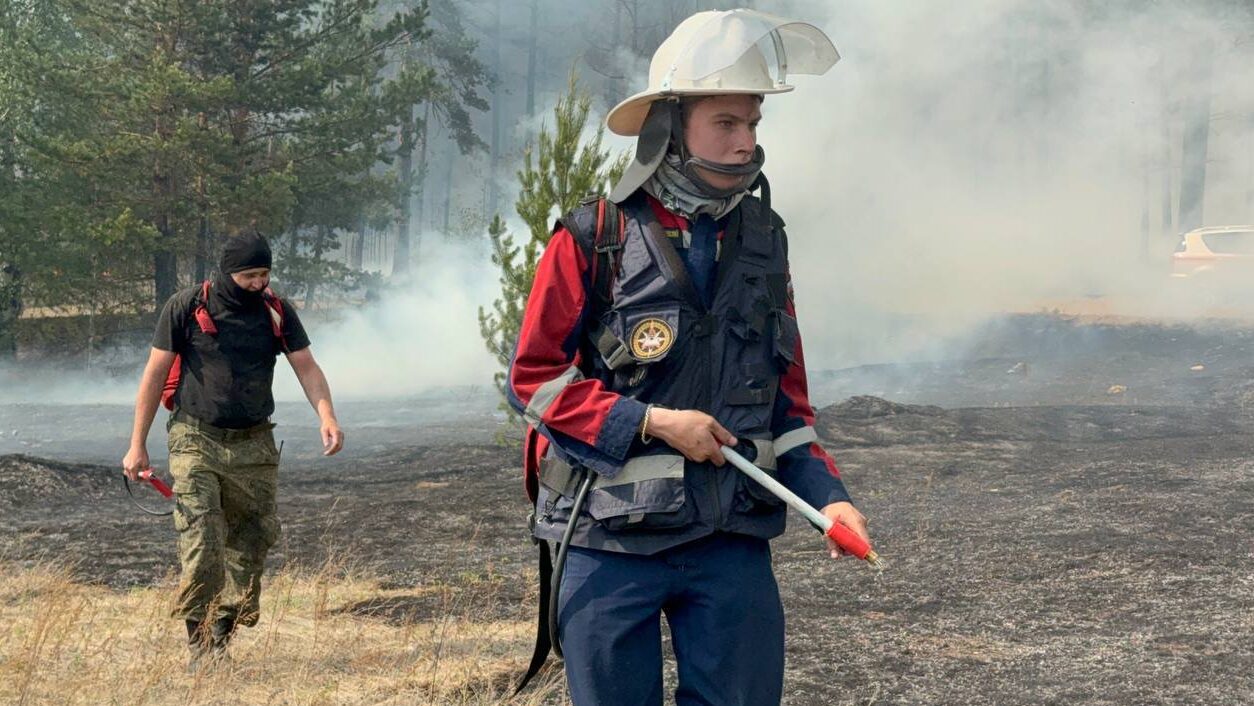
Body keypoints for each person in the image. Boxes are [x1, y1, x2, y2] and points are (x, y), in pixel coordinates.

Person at [507, 9, 873, 705]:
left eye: (753, 123)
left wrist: (831, 500)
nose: (746, 142)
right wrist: (652, 422)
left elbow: (789, 409)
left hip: (729, 545)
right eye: (725, 123)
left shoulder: (765, 242)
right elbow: (534, 380)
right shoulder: (593, 236)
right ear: (671, 129)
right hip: (609, 543)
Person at [122, 231, 344, 668]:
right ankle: (200, 645)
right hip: (195, 438)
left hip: (254, 444)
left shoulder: (276, 311)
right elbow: (154, 374)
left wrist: (328, 416)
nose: (258, 283)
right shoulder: (186, 306)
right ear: (228, 273)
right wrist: (137, 445)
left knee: (251, 544)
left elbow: (307, 368)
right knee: (202, 542)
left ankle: (222, 631)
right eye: (249, 276)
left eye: (264, 273)